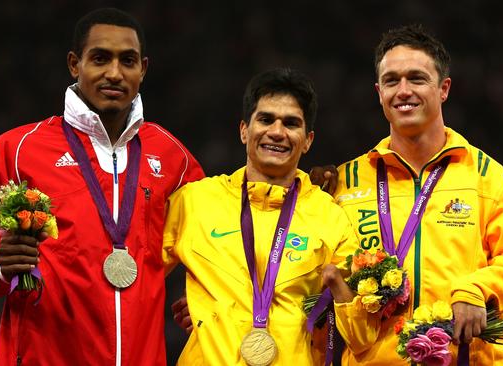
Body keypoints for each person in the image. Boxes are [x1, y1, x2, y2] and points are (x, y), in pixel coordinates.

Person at [0, 8, 204, 365]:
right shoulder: (19, 149)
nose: (114, 73)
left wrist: (205, 295)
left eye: (128, 61)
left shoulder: (174, 158)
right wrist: (0, 267)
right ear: (75, 64)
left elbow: (217, 237)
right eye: (100, 58)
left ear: (143, 69)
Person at [311, 24, 503, 365]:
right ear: (379, 92)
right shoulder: (345, 181)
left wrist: (477, 288)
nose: (403, 90)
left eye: (417, 78)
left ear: (444, 88)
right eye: (392, 81)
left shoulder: (482, 174)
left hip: (465, 358)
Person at [162, 68, 378, 365]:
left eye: (291, 124)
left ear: (307, 140)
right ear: (243, 130)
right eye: (265, 119)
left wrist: (338, 293)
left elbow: (362, 336)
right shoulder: (194, 202)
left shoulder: (331, 217)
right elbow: (137, 281)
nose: (277, 132)